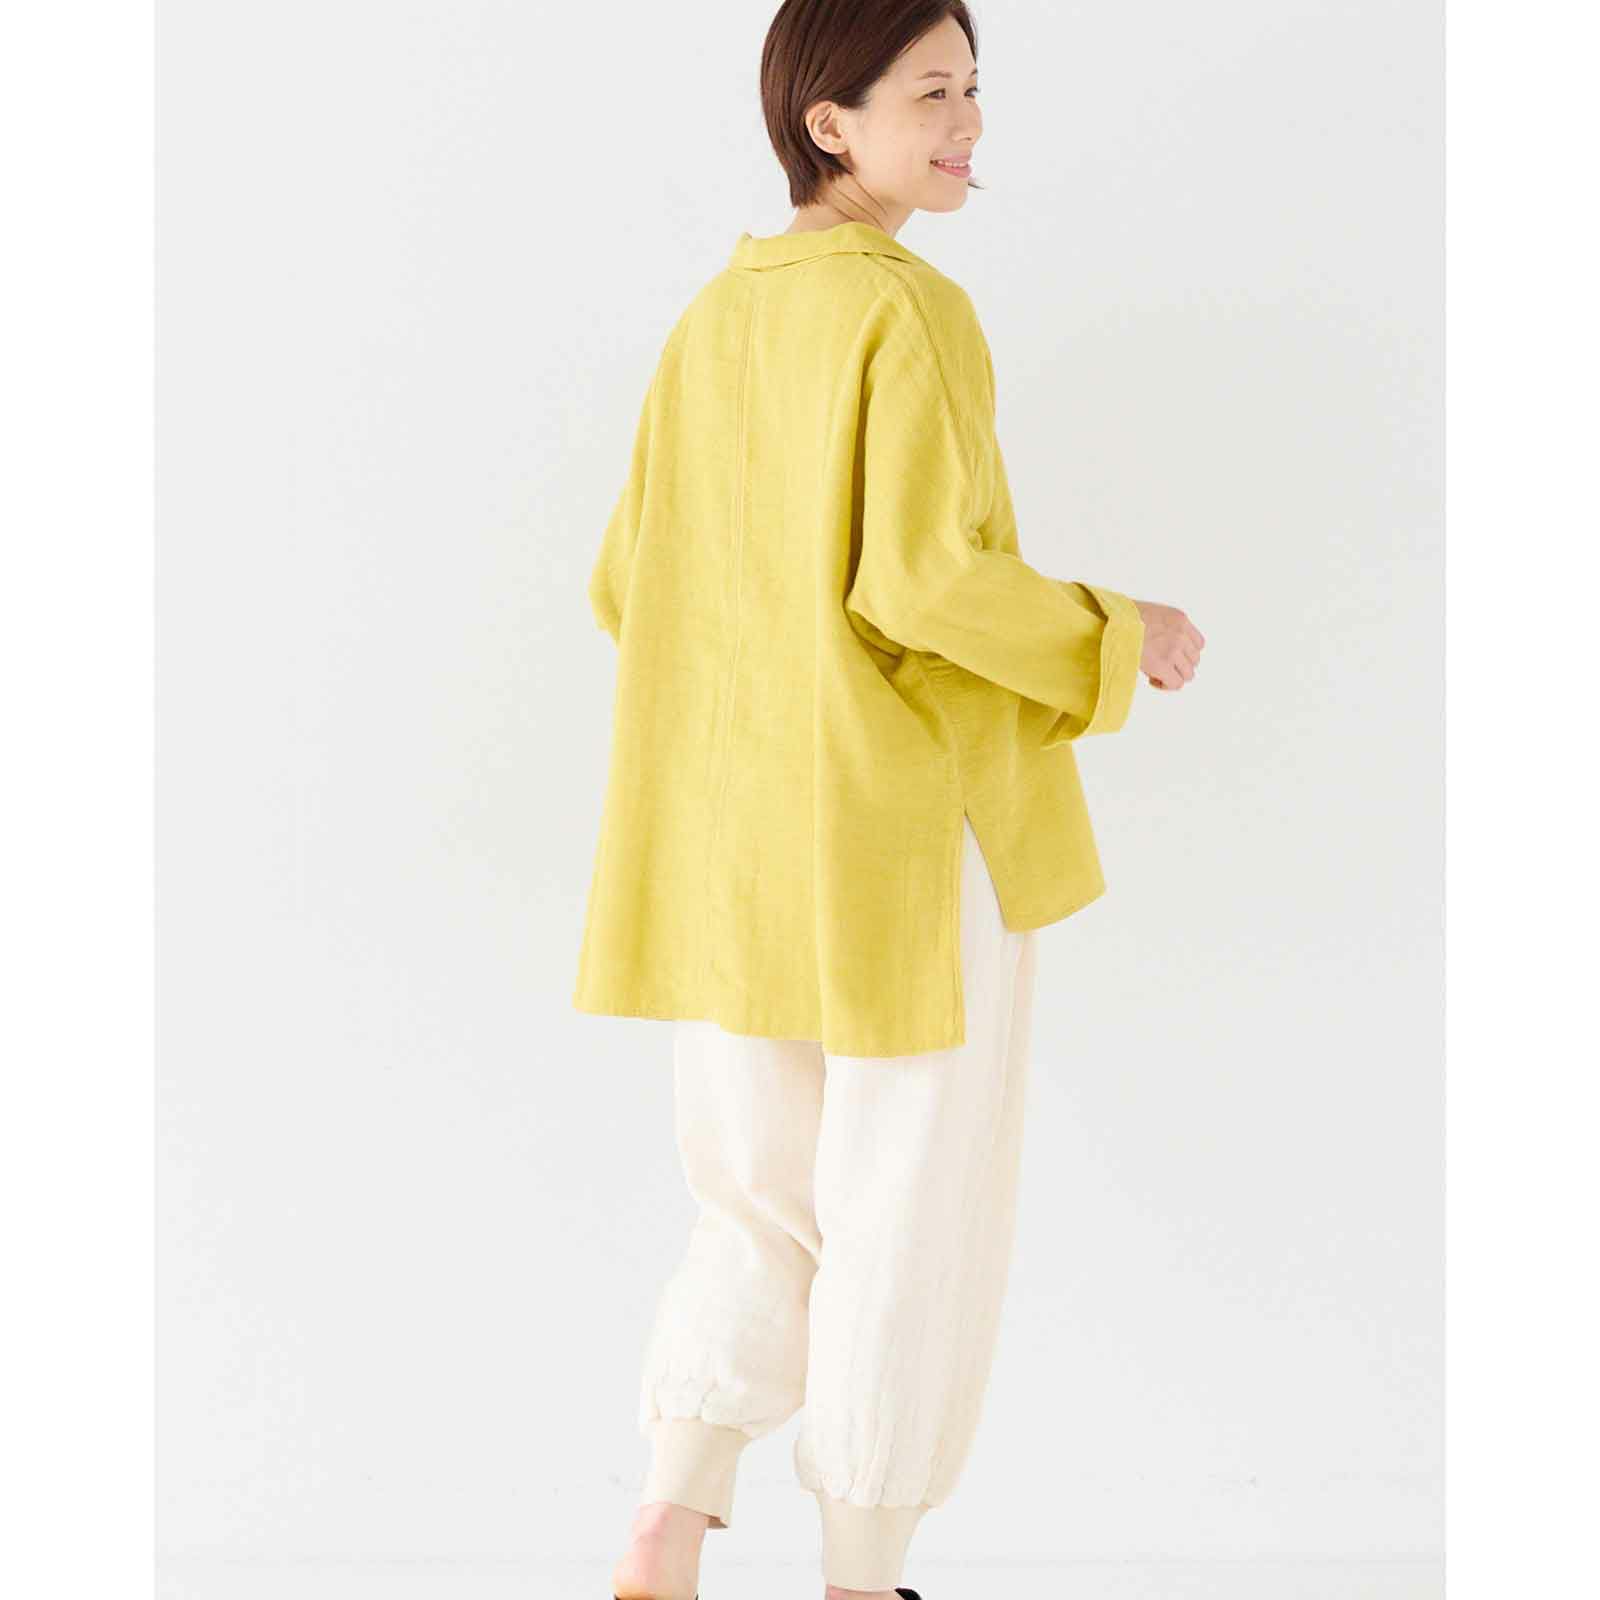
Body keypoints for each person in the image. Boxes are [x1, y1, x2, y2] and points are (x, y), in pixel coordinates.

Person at [588, 4, 1206, 1597]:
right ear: (829, 121)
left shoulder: (712, 320)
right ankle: (860, 1574)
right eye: (934, 93)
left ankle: (669, 1515)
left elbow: (625, 584)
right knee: (905, 1210)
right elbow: (928, 583)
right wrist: (1116, 632)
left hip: (730, 844)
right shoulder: (907, 309)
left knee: (753, 1198)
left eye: (976, 90)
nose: (970, 125)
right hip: (901, 840)